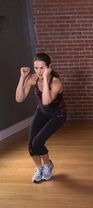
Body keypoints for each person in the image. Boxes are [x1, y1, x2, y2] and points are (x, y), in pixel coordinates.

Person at [15, 52, 67, 183]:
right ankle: (40, 168)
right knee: (31, 146)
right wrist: (22, 78)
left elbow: (46, 101)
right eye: (36, 68)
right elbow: (19, 98)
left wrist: (45, 77)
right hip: (42, 112)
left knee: (38, 142)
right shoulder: (33, 79)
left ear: (49, 67)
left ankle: (48, 165)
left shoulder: (56, 83)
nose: (38, 71)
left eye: (42, 68)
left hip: (57, 114)